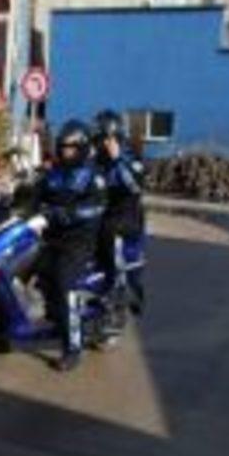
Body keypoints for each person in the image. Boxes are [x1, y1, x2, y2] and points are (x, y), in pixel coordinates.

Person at [28, 119, 107, 372]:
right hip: (50, 237)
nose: (65, 152)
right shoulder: (54, 173)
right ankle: (2, 330)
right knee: (19, 268)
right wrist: (14, 199)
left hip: (78, 242)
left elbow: (96, 207)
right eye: (63, 147)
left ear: (82, 148)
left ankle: (73, 347)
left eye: (71, 148)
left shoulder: (93, 176)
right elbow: (34, 196)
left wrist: (67, 214)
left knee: (64, 283)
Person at [92, 109, 146, 312]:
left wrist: (117, 160)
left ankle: (112, 285)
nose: (99, 143)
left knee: (107, 229)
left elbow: (134, 186)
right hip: (104, 210)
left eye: (102, 138)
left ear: (112, 137)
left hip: (127, 213)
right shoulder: (97, 160)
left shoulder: (130, 157)